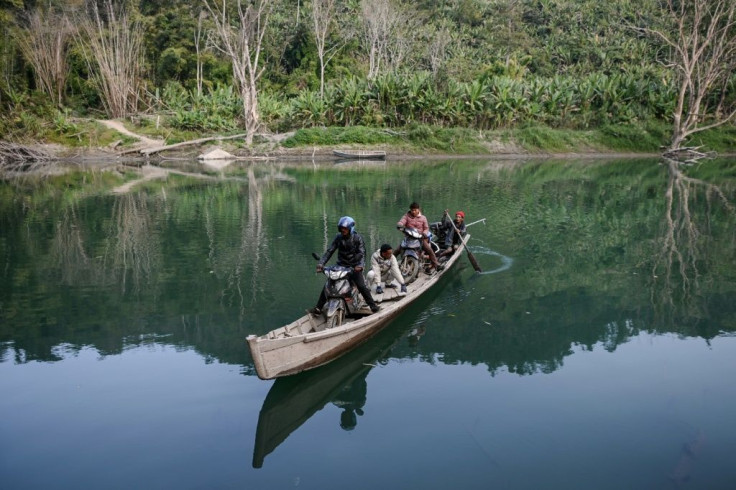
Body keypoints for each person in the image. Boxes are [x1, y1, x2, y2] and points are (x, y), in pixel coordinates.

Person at [310, 216, 380, 315]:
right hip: (340, 266)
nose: (343, 230)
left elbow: (362, 253)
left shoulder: (357, 238)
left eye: (345, 228)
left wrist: (359, 265)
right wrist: (321, 263)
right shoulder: (338, 237)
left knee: (361, 286)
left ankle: (373, 306)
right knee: (328, 284)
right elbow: (330, 251)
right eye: (341, 228)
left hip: (354, 266)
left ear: (351, 228)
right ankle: (318, 308)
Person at [395, 202, 443, 271]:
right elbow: (402, 221)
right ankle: (388, 263)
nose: (413, 212)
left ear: (418, 210)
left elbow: (426, 228)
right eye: (412, 210)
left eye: (415, 210)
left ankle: (436, 264)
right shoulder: (406, 216)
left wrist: (424, 233)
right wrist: (400, 224)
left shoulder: (423, 218)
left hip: (420, 238)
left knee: (429, 250)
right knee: (397, 250)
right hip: (409, 237)